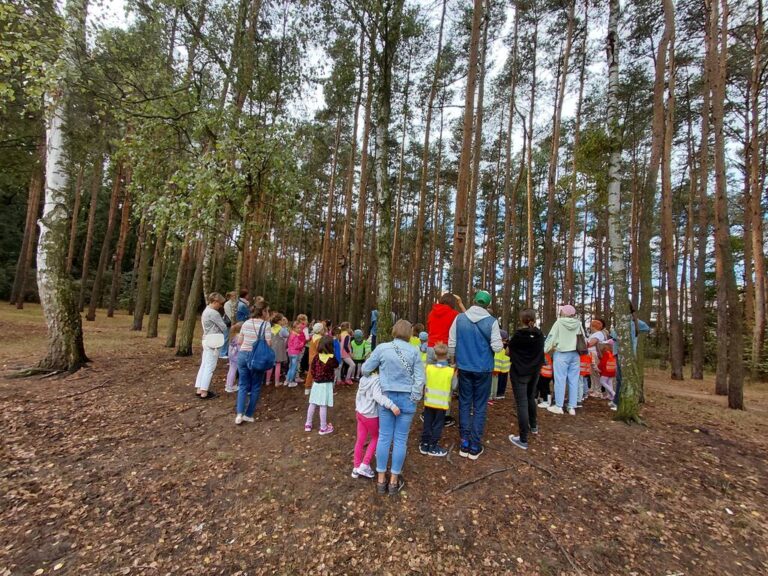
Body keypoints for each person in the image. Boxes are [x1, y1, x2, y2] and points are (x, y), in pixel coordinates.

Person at [362, 319, 425, 496]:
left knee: (384, 437)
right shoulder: (415, 351)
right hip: (406, 399)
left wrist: (378, 374)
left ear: (394, 331)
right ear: (410, 333)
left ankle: (381, 479)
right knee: (400, 440)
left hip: (386, 397)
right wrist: (414, 397)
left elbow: (365, 369)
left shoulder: (382, 348)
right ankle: (394, 481)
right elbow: (420, 379)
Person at [448, 290, 503, 460]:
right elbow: (497, 348)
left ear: (474, 300)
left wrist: (453, 360)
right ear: (487, 304)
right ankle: (474, 445)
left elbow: (451, 344)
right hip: (484, 369)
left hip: (464, 367)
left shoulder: (459, 319)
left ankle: (464, 441)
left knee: (464, 403)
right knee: (479, 406)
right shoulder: (492, 322)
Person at [507, 309, 545, 451]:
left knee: (522, 403)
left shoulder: (518, 335)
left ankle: (523, 439)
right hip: (534, 371)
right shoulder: (539, 334)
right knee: (530, 398)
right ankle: (533, 426)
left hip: (520, 372)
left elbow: (508, 351)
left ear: (522, 319)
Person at [352, 373, 399, 479]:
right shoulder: (377, 379)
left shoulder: (364, 377)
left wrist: (358, 407)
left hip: (360, 413)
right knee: (376, 437)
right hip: (370, 416)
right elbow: (378, 396)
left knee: (360, 440)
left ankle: (356, 467)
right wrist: (392, 405)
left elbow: (358, 395)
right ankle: (365, 464)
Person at [543, 304, 585, 416]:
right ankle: (572, 407)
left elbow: (551, 337)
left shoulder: (559, 323)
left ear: (563, 312)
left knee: (560, 380)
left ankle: (559, 406)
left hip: (561, 354)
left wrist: (544, 350)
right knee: (574, 380)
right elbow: (583, 338)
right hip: (575, 354)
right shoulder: (578, 323)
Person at [235, 300, 271, 425]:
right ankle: (249, 414)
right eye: (268, 310)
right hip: (257, 358)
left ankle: (239, 413)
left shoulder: (246, 323)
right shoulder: (266, 325)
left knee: (243, 385)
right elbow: (269, 343)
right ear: (263, 311)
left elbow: (239, 341)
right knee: (255, 386)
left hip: (243, 355)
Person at [419, 343, 452, 457]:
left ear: (435, 355)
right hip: (441, 404)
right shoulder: (450, 371)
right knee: (438, 425)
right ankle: (433, 446)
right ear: (447, 355)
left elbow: (423, 381)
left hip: (429, 402)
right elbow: (454, 385)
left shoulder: (429, 368)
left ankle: (424, 444)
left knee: (427, 422)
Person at [195, 292, 228, 399]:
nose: (221, 305)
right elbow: (223, 327)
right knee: (210, 367)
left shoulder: (206, 311)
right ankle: (204, 391)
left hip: (206, 339)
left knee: (204, 365)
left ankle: (199, 388)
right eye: (220, 303)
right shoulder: (213, 313)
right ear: (214, 302)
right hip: (212, 341)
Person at [305, 336, 338, 435]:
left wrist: (316, 378)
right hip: (326, 384)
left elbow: (313, 370)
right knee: (323, 405)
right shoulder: (332, 358)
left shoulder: (316, 357)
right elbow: (336, 365)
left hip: (316, 383)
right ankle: (323, 427)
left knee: (312, 403)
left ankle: (308, 424)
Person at [587, 318, 609, 398]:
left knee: (596, 372)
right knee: (592, 372)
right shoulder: (594, 334)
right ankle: (593, 388)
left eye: (591, 325)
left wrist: (585, 343)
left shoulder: (598, 334)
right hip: (591, 354)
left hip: (594, 354)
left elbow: (590, 343)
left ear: (594, 326)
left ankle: (598, 390)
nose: (590, 327)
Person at [266, 314, 289, 387]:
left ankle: (267, 381)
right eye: (282, 320)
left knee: (270, 366)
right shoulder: (282, 329)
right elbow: (287, 335)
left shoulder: (270, 328)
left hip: (271, 348)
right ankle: (277, 382)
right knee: (278, 365)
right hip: (279, 350)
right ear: (279, 321)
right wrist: (285, 327)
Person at [304, 322, 325, 395]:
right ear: (320, 330)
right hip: (317, 359)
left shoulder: (313, 336)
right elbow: (320, 349)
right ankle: (314, 388)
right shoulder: (319, 338)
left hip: (311, 358)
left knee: (310, 373)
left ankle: (307, 388)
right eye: (322, 329)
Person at [491, 330, 511, 401]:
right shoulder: (508, 346)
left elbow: (497, 357)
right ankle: (501, 393)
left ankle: (497, 393)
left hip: (498, 368)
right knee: (503, 381)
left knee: (498, 381)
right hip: (505, 367)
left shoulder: (499, 346)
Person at [285, 320, 306, 387]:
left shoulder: (291, 334)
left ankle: (287, 380)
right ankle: (291, 382)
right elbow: (296, 346)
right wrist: (302, 344)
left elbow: (289, 344)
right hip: (295, 353)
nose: (300, 329)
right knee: (293, 368)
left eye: (300, 328)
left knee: (290, 367)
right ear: (294, 328)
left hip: (290, 352)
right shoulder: (295, 336)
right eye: (298, 328)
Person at [225, 322, 242, 394]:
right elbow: (240, 348)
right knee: (234, 371)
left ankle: (228, 384)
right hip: (236, 356)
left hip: (231, 355)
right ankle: (230, 387)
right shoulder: (239, 337)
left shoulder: (233, 335)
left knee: (231, 370)